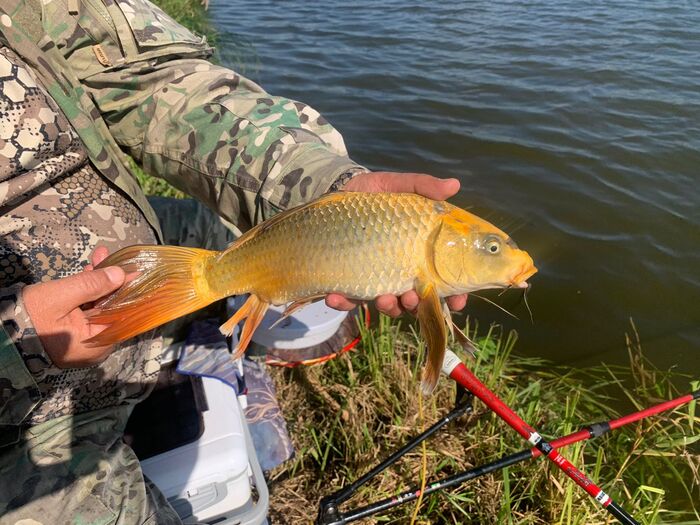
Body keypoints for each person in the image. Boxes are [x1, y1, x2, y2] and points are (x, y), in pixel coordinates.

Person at [0, 0, 466, 522]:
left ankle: (218, 323)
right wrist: (14, 344)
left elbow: (151, 79)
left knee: (227, 242)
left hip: (116, 270)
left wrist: (326, 189)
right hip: (18, 432)